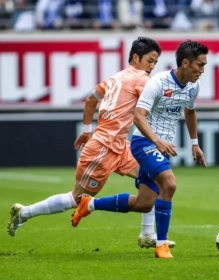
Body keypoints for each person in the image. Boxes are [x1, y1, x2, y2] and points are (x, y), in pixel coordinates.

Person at [8, 37, 174, 249]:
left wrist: (87, 130)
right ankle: (23, 213)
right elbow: (158, 101)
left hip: (119, 145)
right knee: (76, 198)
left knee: (156, 177)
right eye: (150, 61)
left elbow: (91, 100)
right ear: (135, 58)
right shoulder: (141, 79)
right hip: (104, 147)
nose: (151, 67)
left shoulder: (114, 79)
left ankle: (147, 234)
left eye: (155, 63)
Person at [71, 40, 209, 258]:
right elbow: (138, 116)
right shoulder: (157, 82)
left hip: (162, 146)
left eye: (204, 65)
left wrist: (195, 143)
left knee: (145, 203)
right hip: (144, 142)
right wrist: (156, 141)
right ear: (185, 63)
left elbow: (190, 112)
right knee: (169, 184)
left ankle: (90, 204)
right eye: (200, 65)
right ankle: (161, 244)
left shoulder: (194, 86)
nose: (203, 70)